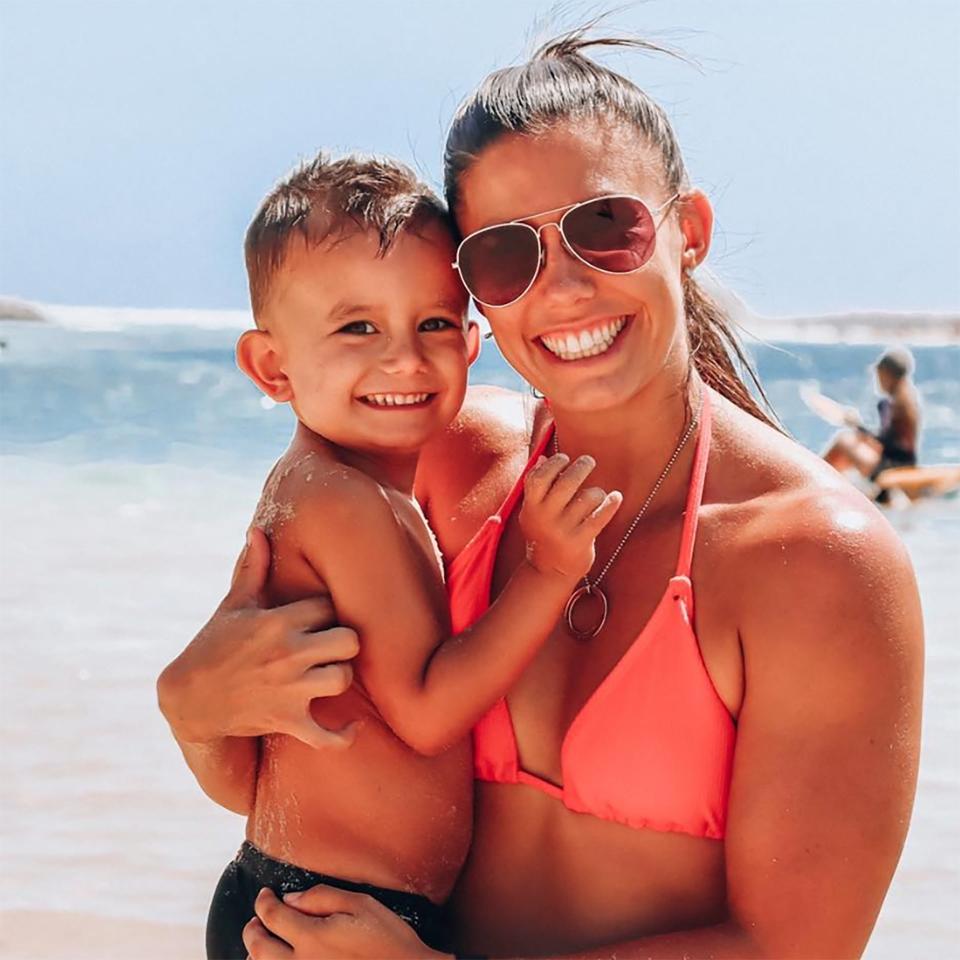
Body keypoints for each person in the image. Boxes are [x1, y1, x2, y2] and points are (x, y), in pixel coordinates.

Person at [158, 30, 923, 959]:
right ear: (474, 294)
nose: (561, 288)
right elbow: (309, 775)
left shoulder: (813, 559)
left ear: (688, 231)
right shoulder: (445, 464)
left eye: (607, 227)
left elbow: (793, 946)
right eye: (505, 257)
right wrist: (195, 715)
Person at [197, 153, 621, 958]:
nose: (404, 357)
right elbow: (426, 713)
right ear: (273, 367)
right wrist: (551, 572)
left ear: (470, 345)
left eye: (432, 323)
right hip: (324, 915)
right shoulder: (345, 504)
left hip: (309, 893)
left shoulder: (338, 487)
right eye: (358, 327)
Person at [823, 346, 920, 486]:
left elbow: (889, 444)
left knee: (844, 440)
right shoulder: (906, 399)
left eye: (879, 374)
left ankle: (819, 478)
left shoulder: (898, 403)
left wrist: (858, 426)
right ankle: (833, 479)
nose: (877, 379)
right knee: (852, 439)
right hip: (901, 461)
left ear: (888, 374)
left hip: (892, 465)